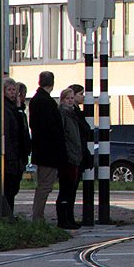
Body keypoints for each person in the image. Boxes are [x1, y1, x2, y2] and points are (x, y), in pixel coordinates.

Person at [28, 71, 67, 222]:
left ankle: (38, 216)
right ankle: (38, 216)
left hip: (41, 150)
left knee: (43, 185)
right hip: (48, 153)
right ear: (52, 83)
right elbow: (53, 129)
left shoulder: (35, 100)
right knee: (45, 186)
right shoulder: (47, 102)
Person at [3, 77, 31, 214]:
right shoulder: (5, 110)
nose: (13, 93)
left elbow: (23, 130)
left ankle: (10, 215)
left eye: (14, 90)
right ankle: (7, 215)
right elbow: (10, 134)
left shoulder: (17, 109)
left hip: (18, 155)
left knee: (14, 188)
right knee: (9, 188)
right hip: (11, 157)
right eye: (9, 90)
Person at [56, 88, 82, 229]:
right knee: (66, 188)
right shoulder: (63, 114)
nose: (71, 100)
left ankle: (69, 217)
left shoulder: (73, 114)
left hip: (74, 155)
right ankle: (63, 219)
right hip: (68, 157)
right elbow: (64, 135)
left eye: (72, 98)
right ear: (62, 99)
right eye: (68, 98)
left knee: (71, 189)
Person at [68, 84, 93, 225]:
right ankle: (67, 217)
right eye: (81, 94)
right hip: (75, 154)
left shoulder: (76, 112)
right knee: (70, 188)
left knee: (73, 187)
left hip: (79, 153)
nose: (83, 96)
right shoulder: (72, 113)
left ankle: (69, 217)